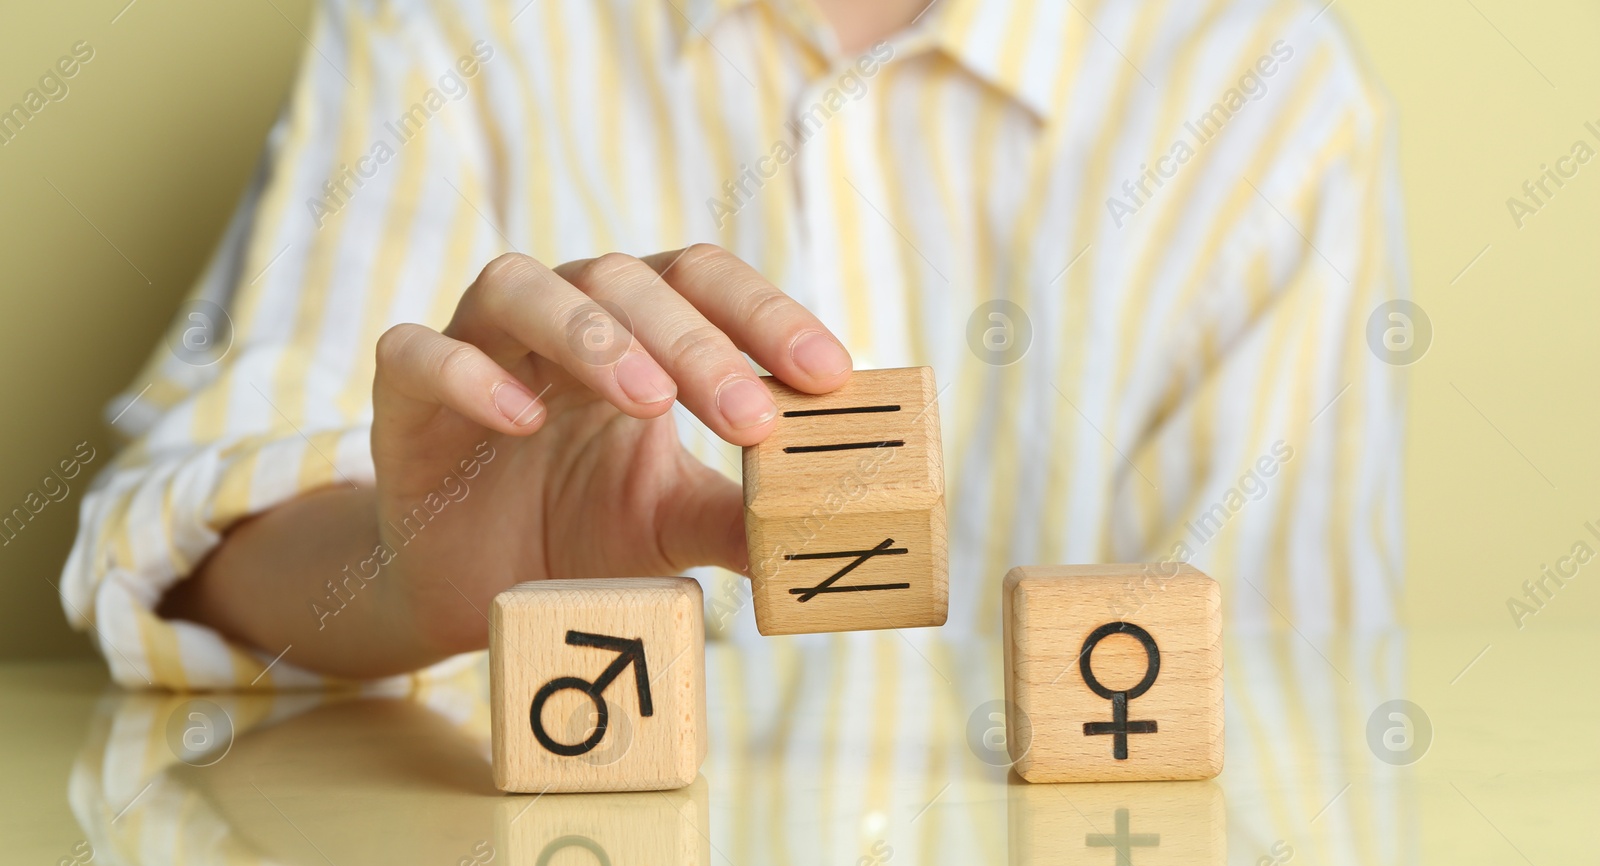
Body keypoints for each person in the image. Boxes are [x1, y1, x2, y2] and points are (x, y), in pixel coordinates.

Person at [63, 0, 1406, 688]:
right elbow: (156, 558)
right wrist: (405, 584)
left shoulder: (1262, 92)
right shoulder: (453, 31)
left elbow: (1291, 708)